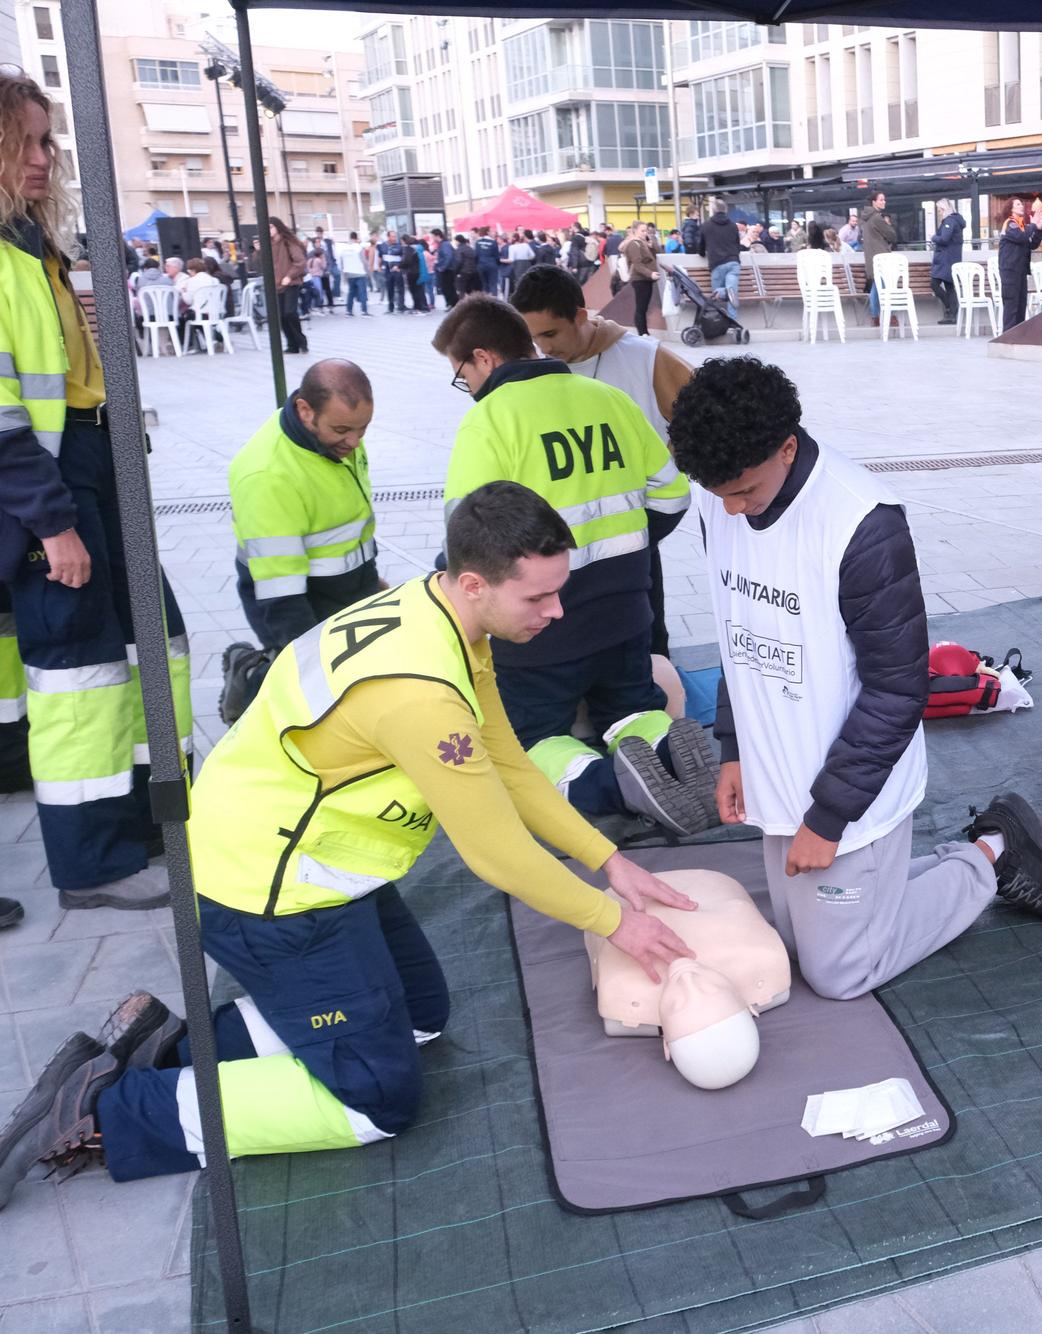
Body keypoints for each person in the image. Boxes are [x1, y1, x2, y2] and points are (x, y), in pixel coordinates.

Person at [0, 484, 706, 1207]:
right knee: (378, 1101)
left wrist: (610, 861)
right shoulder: (420, 691)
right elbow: (495, 852)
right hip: (267, 891)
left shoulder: (446, 618)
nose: (556, 613)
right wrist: (617, 921)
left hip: (313, 862)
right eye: (539, 598)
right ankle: (107, 1113)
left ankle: (164, 1046)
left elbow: (508, 764)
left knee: (422, 1016)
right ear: (473, 582)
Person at [667, 357, 1042, 1000]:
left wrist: (829, 819)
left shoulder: (862, 521)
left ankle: (993, 854)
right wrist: (733, 748)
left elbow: (897, 690)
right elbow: (736, 629)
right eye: (716, 493)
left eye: (744, 492)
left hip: (852, 793)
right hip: (779, 773)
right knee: (793, 942)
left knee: (838, 972)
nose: (729, 510)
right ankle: (899, 881)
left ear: (786, 447)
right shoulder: (719, 489)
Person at [0, 71, 192, 915]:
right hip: (44, 483)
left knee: (150, 640)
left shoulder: (27, 245)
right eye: (28, 142)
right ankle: (92, 863)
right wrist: (53, 523)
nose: (45, 158)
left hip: (81, 460)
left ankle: (154, 817)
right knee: (76, 673)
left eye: (47, 141)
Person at [432, 296, 712, 832]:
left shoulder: (487, 421)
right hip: (628, 608)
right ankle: (671, 755)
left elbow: (465, 541)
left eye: (460, 373)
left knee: (529, 736)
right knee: (631, 704)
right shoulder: (607, 399)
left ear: (484, 359)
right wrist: (627, 551)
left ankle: (615, 787)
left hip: (537, 624)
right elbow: (674, 496)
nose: (464, 386)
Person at [510, 265, 694, 667]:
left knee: (645, 643)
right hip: (560, 548)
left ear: (579, 316)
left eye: (551, 334)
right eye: (534, 337)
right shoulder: (528, 374)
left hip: (633, 539)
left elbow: (705, 413)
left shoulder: (644, 358)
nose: (542, 348)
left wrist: (670, 460)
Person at [217, 360, 380, 719]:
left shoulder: (335, 439)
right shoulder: (267, 475)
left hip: (347, 583)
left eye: (363, 429)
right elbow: (282, 593)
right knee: (310, 684)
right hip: (294, 594)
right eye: (342, 429)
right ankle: (250, 676)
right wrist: (305, 657)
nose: (354, 442)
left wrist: (372, 580)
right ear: (305, 411)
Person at [997, 197, 1042, 331]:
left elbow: (1032, 244)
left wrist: (1039, 230)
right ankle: (1007, 337)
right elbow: (1021, 237)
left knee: (1021, 304)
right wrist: (1034, 225)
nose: (1021, 206)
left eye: (1021, 204)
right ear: (1011, 209)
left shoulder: (1021, 225)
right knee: (1011, 305)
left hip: (1020, 271)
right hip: (1010, 271)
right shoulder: (1010, 224)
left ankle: (1018, 334)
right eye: (1017, 204)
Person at [859, 190, 896, 324]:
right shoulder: (876, 218)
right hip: (881, 257)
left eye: (884, 199)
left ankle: (876, 316)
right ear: (874, 202)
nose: (884, 202)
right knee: (885, 286)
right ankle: (888, 315)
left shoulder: (865, 218)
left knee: (877, 285)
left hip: (872, 257)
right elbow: (892, 235)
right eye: (881, 200)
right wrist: (889, 226)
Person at [699, 206, 741, 323]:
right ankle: (733, 321)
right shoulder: (733, 225)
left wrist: (702, 253)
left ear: (713, 211)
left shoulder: (706, 225)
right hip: (733, 262)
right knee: (732, 293)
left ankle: (718, 322)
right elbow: (738, 245)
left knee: (716, 293)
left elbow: (700, 247)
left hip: (717, 264)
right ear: (725, 210)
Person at [930, 199, 965, 324]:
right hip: (952, 258)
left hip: (946, 259)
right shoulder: (956, 221)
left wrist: (933, 237)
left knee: (934, 284)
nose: (939, 212)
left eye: (939, 210)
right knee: (950, 287)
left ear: (945, 209)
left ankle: (951, 309)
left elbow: (944, 239)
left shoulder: (949, 221)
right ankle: (952, 314)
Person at [335, 230, 371, 315]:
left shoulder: (344, 249)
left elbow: (342, 262)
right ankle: (364, 311)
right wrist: (368, 272)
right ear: (356, 238)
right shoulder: (358, 248)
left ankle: (349, 310)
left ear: (350, 238)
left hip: (349, 273)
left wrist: (344, 274)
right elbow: (364, 261)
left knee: (351, 292)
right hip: (360, 272)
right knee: (362, 292)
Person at [377, 228, 407, 313]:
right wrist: (379, 266)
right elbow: (380, 257)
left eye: (395, 236)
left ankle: (401, 306)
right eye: (392, 236)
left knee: (400, 289)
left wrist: (399, 267)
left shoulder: (399, 246)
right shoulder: (382, 246)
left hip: (397, 271)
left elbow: (403, 258)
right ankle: (391, 307)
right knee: (390, 289)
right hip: (387, 271)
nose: (394, 238)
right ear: (388, 237)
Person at [473, 226, 502, 295]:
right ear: (488, 232)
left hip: (481, 265)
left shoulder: (478, 242)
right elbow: (496, 256)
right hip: (492, 265)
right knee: (493, 284)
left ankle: (485, 302)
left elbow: (476, 255)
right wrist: (498, 264)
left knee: (484, 284)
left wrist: (477, 264)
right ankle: (494, 302)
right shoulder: (493, 242)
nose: (493, 233)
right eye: (491, 231)